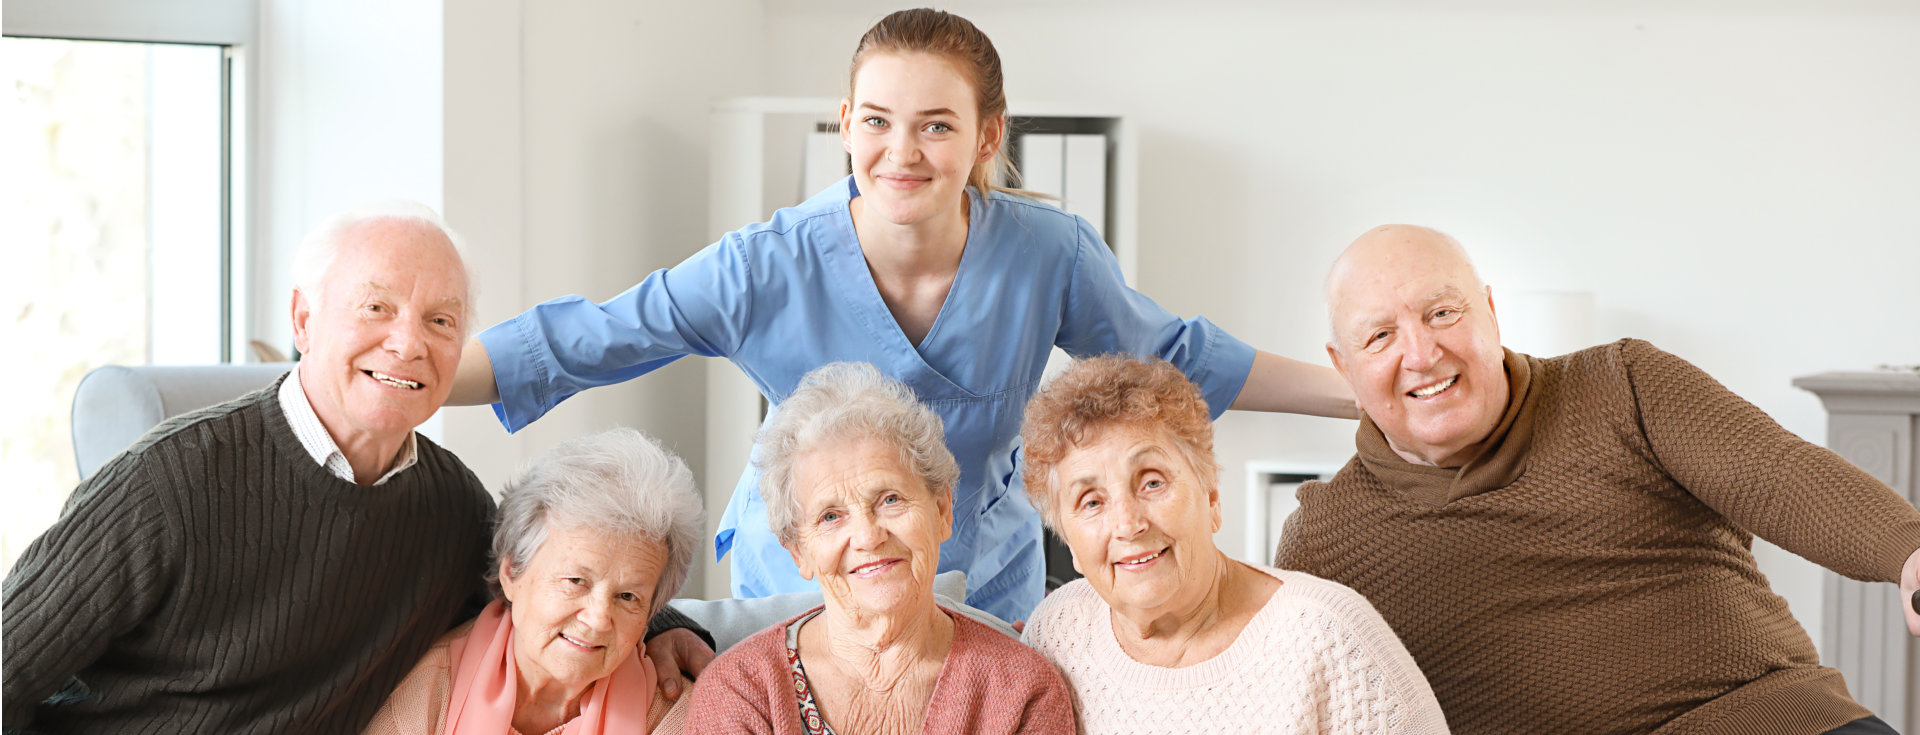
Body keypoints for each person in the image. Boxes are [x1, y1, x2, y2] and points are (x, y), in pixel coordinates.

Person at [444, 7, 1356, 623]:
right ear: (845, 122)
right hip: (805, 577)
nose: (902, 152)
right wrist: (391, 383)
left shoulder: (1048, 253)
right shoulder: (767, 264)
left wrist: (1367, 394)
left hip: (980, 576)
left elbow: (1176, 358)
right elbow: (588, 338)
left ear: (987, 136)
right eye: (877, 121)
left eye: (935, 125)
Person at [1, 203, 707, 734]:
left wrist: (669, 624)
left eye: (440, 321)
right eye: (376, 307)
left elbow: (556, 576)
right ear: (303, 320)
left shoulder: (447, 507)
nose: (407, 343)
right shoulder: (166, 484)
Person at [1275, 224, 1920, 735]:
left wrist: (1908, 548)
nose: (1421, 353)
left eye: (1443, 313)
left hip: (1773, 723)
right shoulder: (1326, 539)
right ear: (1343, 365)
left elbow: (1782, 475)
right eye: (1381, 335)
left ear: (1491, 312)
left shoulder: (1621, 384)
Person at [1018, 356, 1447, 734]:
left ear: (1211, 497)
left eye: (1151, 482)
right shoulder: (1058, 631)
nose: (1128, 524)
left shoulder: (1331, 637)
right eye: (1091, 502)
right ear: (1068, 542)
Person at [684, 362, 1076, 734]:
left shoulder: (1022, 690)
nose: (869, 537)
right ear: (798, 552)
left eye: (889, 499)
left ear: (942, 510)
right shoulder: (740, 692)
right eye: (830, 517)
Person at [363, 428, 703, 735]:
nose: (599, 618)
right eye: (576, 581)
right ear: (511, 573)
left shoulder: (676, 716)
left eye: (628, 596)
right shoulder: (424, 696)